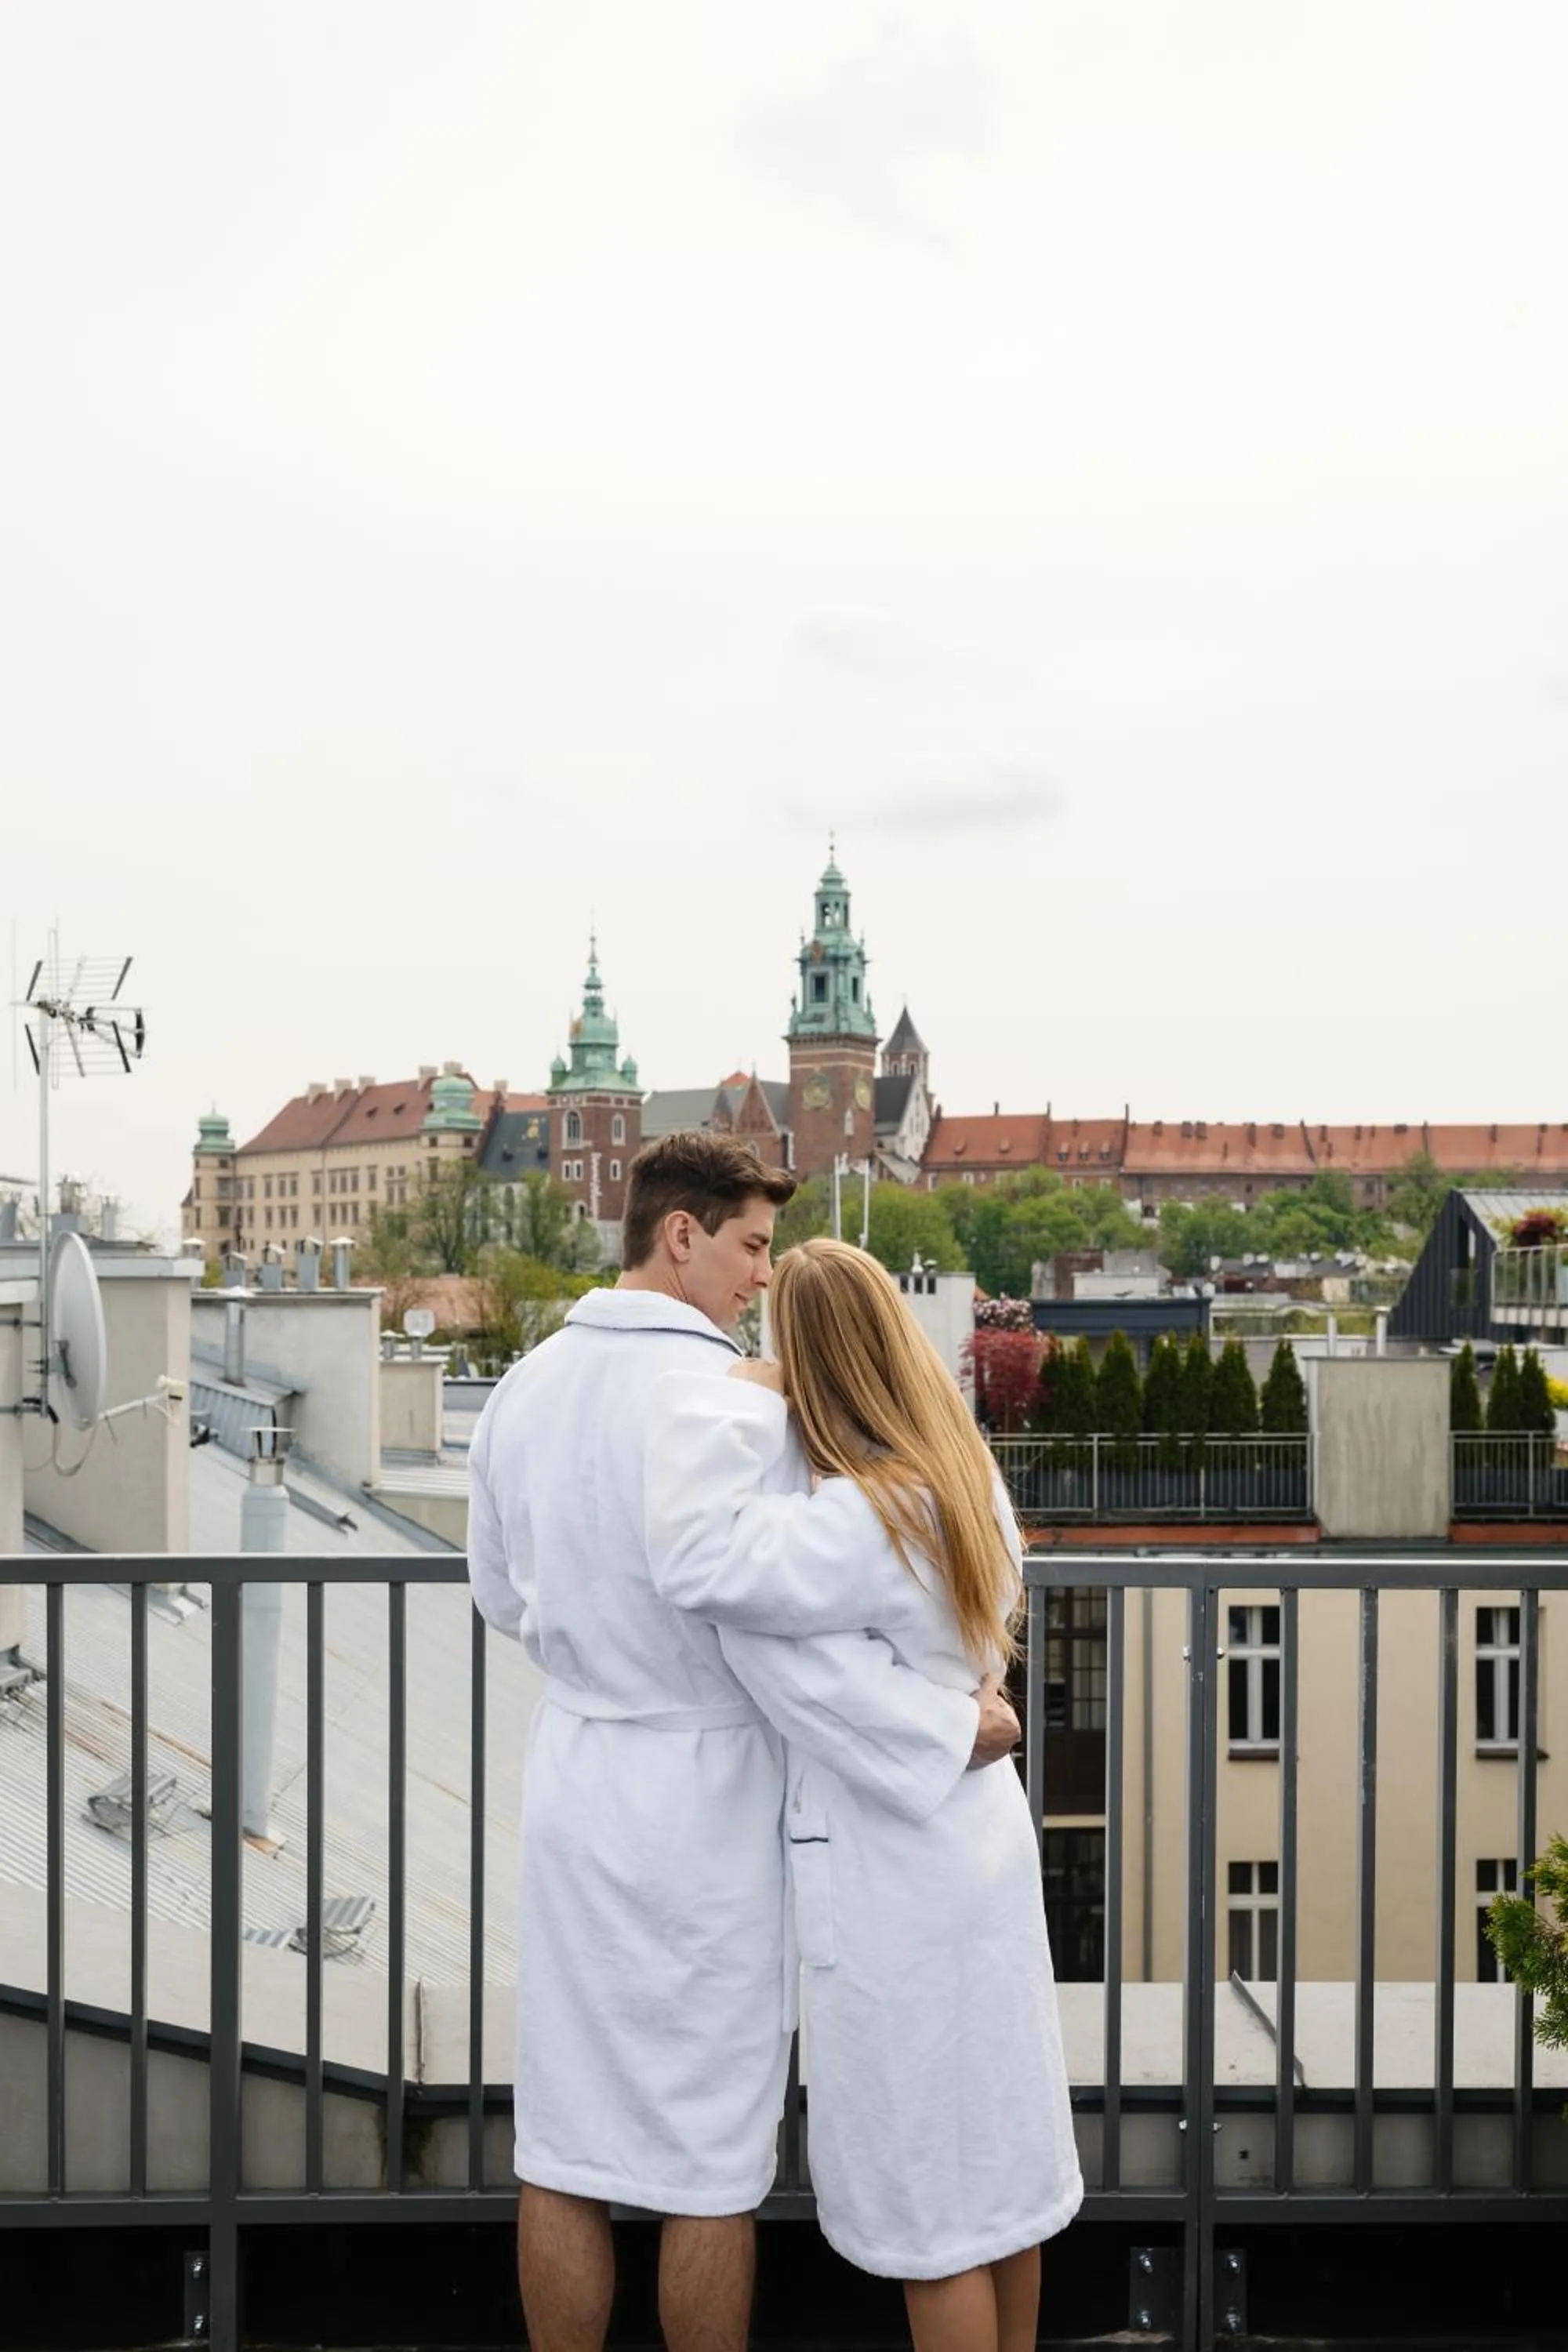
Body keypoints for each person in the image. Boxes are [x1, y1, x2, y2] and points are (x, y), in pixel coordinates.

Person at [466, 1134, 1022, 2352]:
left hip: (576, 1777)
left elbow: (501, 1596)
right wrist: (948, 1724)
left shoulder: (523, 1388)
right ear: (683, 1234)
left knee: (561, 2140)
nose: (762, 1279)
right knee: (709, 2161)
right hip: (714, 1800)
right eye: (753, 1247)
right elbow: (795, 1641)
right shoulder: (743, 1406)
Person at [646, 1237, 1083, 2352]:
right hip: (981, 1855)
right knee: (1004, 2178)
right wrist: (951, 1718)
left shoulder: (863, 1520)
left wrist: (738, 1396)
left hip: (895, 1882)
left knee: (931, 2208)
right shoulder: (963, 1477)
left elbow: (702, 1567)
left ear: (807, 1361)